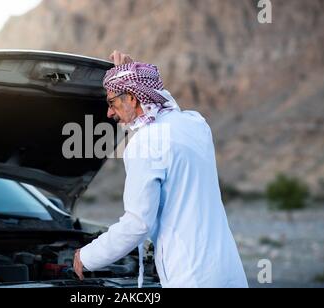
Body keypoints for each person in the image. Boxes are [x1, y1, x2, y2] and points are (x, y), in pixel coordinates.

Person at [73, 51, 248, 288]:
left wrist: (87, 256)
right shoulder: (196, 124)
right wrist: (133, 73)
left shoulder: (145, 143)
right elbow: (167, 109)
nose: (109, 113)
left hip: (190, 278)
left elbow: (137, 225)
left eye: (112, 103)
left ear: (133, 98)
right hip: (228, 273)